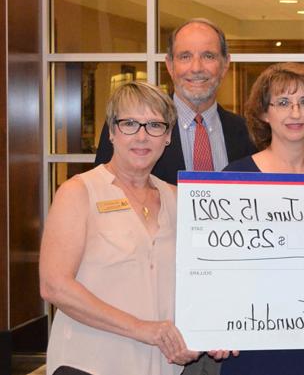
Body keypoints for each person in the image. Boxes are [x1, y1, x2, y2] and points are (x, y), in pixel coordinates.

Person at [40, 82, 231, 375]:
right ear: (112, 132)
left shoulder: (179, 199)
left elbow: (201, 279)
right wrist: (144, 329)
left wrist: (210, 330)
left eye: (155, 125)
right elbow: (55, 286)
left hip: (164, 366)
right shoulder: (79, 192)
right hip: (90, 364)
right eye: (130, 123)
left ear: (168, 136)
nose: (142, 136)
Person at [221, 62, 304, 374]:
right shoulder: (236, 178)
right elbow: (221, 269)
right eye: (282, 103)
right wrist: (218, 325)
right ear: (264, 113)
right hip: (256, 343)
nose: (295, 113)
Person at [95, 18, 256, 184]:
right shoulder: (127, 127)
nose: (196, 68)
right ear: (170, 65)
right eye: (185, 57)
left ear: (225, 64)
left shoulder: (248, 133)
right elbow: (103, 190)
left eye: (208, 56)